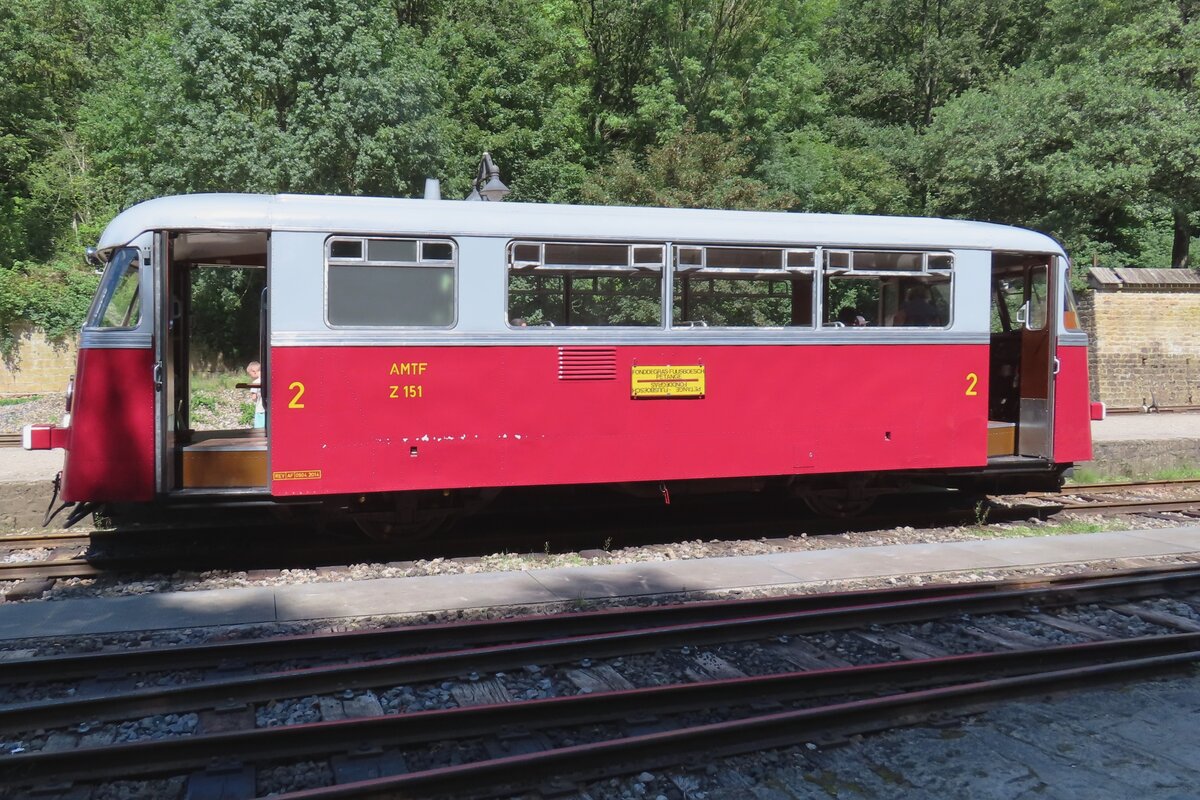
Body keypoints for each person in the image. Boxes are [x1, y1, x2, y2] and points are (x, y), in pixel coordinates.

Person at [246, 361, 265, 429]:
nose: (250, 376)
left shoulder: (255, 382)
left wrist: (254, 398)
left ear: (254, 371)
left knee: (259, 429)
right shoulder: (267, 380)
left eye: (250, 374)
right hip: (267, 409)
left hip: (260, 409)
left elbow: (254, 397)